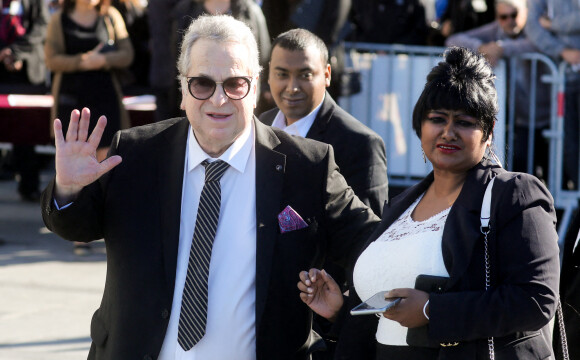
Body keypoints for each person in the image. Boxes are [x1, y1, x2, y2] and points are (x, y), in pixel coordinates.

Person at [40, 14, 380, 360]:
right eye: (202, 84)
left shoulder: (307, 166)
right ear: (183, 89)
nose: (219, 100)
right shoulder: (135, 153)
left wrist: (344, 313)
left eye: (235, 84)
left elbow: (373, 248)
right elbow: (76, 225)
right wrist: (68, 190)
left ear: (255, 87)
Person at [298, 47, 560, 359]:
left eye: (464, 122)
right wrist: (342, 310)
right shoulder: (401, 205)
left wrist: (431, 309)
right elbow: (390, 321)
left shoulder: (514, 194)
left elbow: (536, 300)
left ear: (488, 133)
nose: (448, 132)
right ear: (420, 127)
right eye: (436, 119)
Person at [259, 28, 388, 216]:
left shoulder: (360, 144)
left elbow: (368, 233)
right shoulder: (263, 124)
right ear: (269, 75)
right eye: (282, 74)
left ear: (327, 75)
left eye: (305, 75)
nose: (292, 87)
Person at [45, 0, 134, 255]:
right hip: (71, 99)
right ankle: (80, 229)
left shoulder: (110, 15)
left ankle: (109, 226)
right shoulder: (58, 19)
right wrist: (83, 61)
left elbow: (127, 54)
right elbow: (51, 60)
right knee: (76, 162)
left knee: (106, 163)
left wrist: (102, 61)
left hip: (105, 95)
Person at [445, 0, 551, 177]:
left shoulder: (534, 29)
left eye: (514, 15)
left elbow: (539, 45)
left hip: (545, 114)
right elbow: (453, 40)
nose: (510, 21)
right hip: (516, 119)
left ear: (525, 13)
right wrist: (481, 48)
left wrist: (501, 49)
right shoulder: (494, 30)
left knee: (553, 171)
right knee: (519, 169)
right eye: (504, 16)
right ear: (497, 17)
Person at [525, 0, 580, 190]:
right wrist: (562, 51)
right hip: (564, 81)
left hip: (567, 79)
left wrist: (553, 24)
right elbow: (532, 26)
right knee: (569, 145)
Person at [0, 0, 49, 202]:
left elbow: (41, 26)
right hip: (2, 68)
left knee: (26, 129)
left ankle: (29, 185)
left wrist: (16, 52)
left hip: (29, 72)